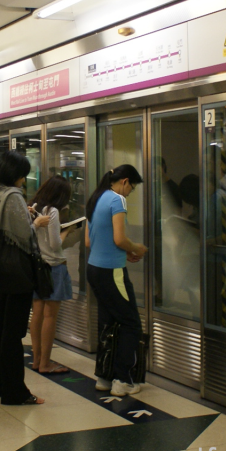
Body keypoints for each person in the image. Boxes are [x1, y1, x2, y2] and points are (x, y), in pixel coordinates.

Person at [0, 150, 45, 405]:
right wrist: (35, 223)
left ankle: (1, 384)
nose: (23, 179)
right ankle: (15, 391)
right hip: (16, 270)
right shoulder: (13, 196)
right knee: (13, 332)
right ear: (17, 174)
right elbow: (23, 235)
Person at [86, 165, 147, 396]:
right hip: (112, 271)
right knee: (130, 323)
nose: (130, 192)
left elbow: (89, 242)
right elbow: (120, 238)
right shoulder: (117, 200)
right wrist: (136, 248)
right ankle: (123, 379)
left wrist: (123, 250)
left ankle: (104, 376)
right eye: (132, 187)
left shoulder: (96, 198)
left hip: (94, 268)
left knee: (107, 322)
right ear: (125, 181)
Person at [29, 176, 75, 374]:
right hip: (54, 267)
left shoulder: (35, 207)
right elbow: (56, 245)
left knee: (37, 313)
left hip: (37, 267)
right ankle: (46, 363)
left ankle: (36, 359)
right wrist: (69, 231)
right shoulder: (53, 211)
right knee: (50, 316)